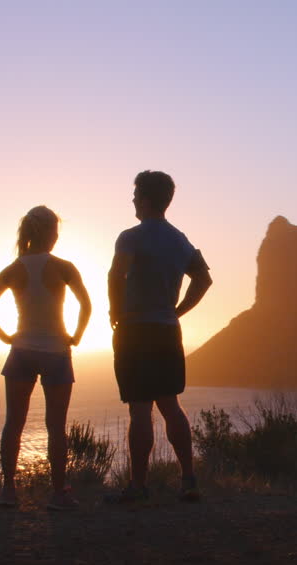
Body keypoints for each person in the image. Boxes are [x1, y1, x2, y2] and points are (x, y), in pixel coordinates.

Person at [107, 170, 213, 504]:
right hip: (167, 331)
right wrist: (178, 311)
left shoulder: (130, 237)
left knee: (140, 410)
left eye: (136, 194)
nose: (132, 200)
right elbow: (204, 280)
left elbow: (116, 275)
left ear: (146, 199)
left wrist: (115, 313)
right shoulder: (180, 240)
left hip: (135, 330)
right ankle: (189, 480)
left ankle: (138, 486)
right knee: (170, 405)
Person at [0, 205, 92, 510]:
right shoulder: (64, 267)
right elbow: (86, 304)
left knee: (13, 423)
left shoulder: (13, 269)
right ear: (52, 233)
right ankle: (58, 494)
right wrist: (76, 336)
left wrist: (7, 338)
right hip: (56, 352)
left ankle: (8, 491)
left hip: (21, 353)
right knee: (56, 426)